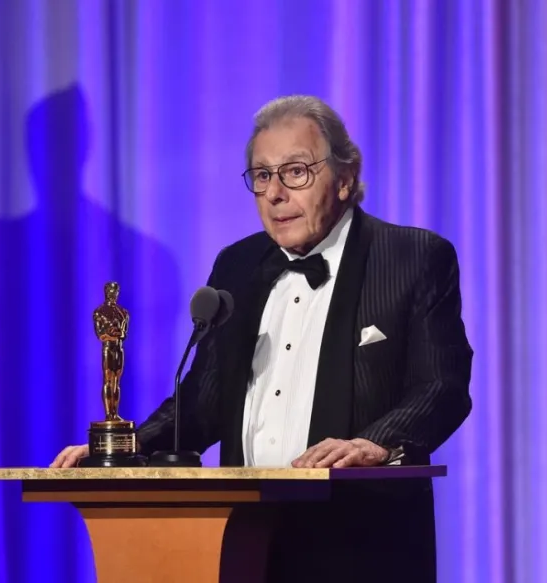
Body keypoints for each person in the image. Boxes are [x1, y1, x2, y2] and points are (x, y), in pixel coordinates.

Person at [52, 95, 473, 581]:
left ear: (345, 178)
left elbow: (440, 387)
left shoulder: (411, 258)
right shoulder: (238, 265)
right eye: (262, 175)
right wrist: (125, 448)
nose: (275, 193)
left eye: (296, 171)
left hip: (361, 542)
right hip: (244, 546)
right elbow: (204, 400)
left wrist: (372, 444)